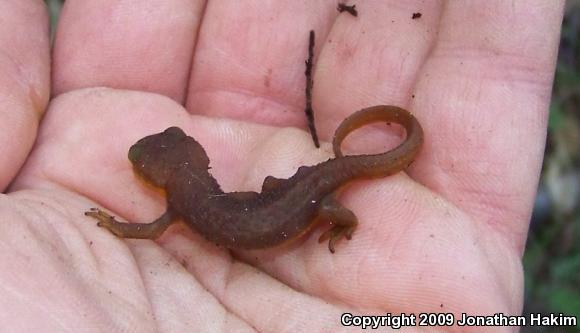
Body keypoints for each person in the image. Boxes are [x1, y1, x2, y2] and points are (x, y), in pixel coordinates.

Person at [0, 1, 564, 331]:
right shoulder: (189, 195)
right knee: (283, 193)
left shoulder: (178, 206)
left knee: (297, 197)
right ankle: (325, 207)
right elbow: (173, 219)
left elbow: (143, 229)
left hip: (306, 201)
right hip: (296, 198)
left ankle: (346, 220)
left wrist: (113, 225)